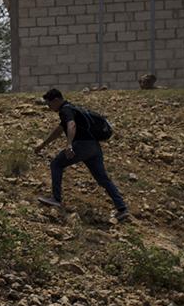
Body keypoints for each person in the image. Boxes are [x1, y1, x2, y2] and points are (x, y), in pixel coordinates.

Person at [33, 88, 129, 222]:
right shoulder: (72, 109)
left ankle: (56, 198)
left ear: (56, 100)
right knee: (103, 178)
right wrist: (42, 145)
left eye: (49, 104)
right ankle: (122, 208)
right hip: (94, 147)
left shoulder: (65, 110)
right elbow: (59, 130)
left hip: (82, 145)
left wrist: (69, 144)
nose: (49, 107)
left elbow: (71, 125)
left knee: (56, 164)